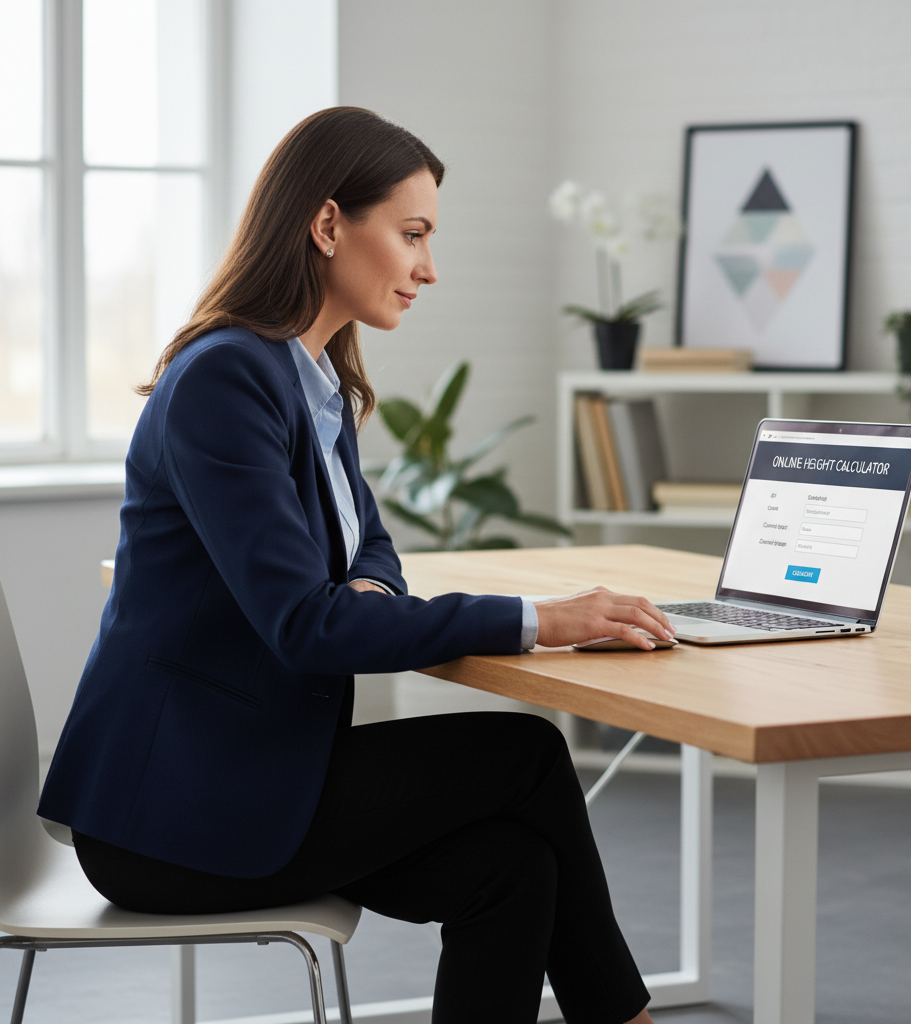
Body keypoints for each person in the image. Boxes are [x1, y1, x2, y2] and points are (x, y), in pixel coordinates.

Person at [38, 107, 675, 1024]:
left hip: (252, 774)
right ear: (329, 224)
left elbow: (367, 549)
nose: (429, 268)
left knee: (512, 870)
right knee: (530, 753)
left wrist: (363, 590)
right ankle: (623, 1020)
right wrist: (544, 619)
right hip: (171, 817)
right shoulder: (227, 379)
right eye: (412, 235)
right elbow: (307, 625)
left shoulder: (312, 376)